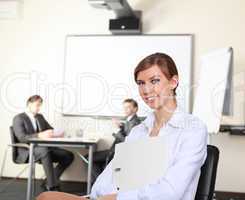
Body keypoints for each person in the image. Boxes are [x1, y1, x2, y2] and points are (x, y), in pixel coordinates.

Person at [36, 52, 208, 200]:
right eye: (141, 83)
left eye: (154, 80)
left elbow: (170, 192)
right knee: (46, 197)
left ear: (173, 82)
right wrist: (97, 197)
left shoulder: (192, 129)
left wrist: (118, 198)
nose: (146, 90)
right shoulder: (139, 131)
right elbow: (114, 175)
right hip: (119, 197)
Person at [13, 95, 74, 191]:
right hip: (27, 151)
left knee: (68, 155)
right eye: (37, 105)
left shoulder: (40, 117)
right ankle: (51, 186)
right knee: (45, 150)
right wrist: (39, 135)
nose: (39, 108)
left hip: (44, 149)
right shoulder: (19, 118)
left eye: (40, 105)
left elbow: (50, 129)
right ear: (29, 104)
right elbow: (22, 138)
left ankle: (49, 180)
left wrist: (56, 133)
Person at [88, 98, 141, 181]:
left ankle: (100, 181)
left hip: (117, 153)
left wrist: (117, 130)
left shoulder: (134, 123)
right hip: (115, 151)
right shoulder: (130, 120)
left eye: (128, 107)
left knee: (89, 158)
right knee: (91, 158)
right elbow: (127, 134)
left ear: (135, 109)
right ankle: (101, 181)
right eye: (124, 108)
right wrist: (121, 127)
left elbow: (128, 142)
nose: (125, 110)